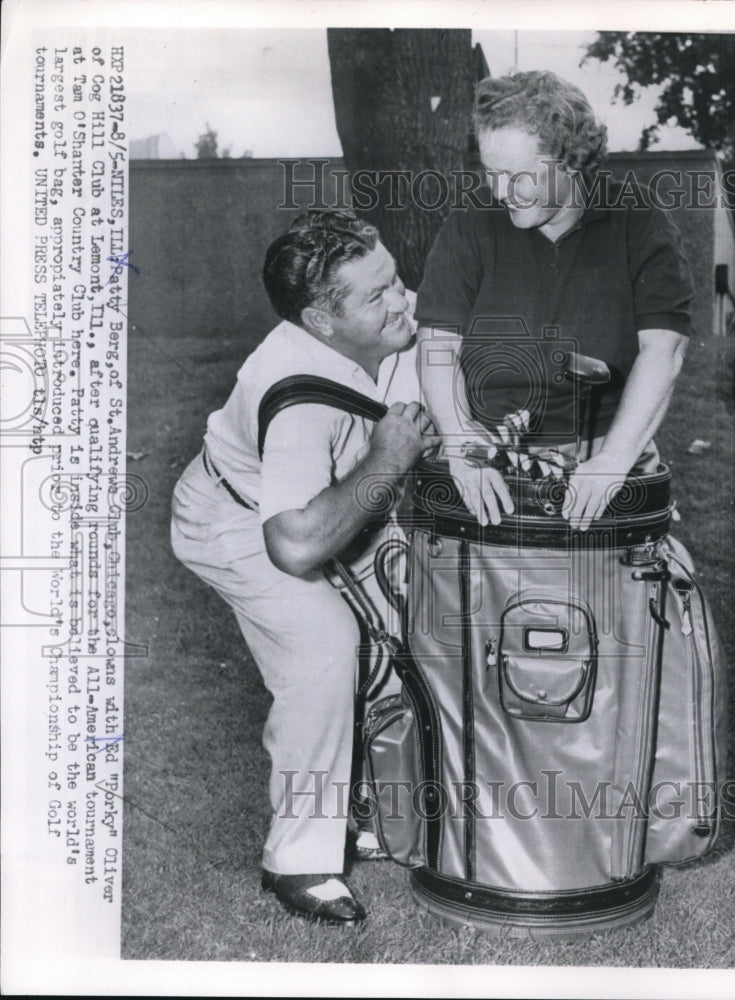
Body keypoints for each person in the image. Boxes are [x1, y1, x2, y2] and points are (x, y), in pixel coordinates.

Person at [170, 210, 437, 925]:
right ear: (321, 320)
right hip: (235, 520)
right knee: (323, 643)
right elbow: (291, 545)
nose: (402, 299)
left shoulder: (386, 330)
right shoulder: (296, 394)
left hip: (325, 502)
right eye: (378, 295)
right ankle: (299, 859)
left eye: (395, 280)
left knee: (417, 615)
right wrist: (389, 458)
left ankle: (371, 806)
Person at [416, 70, 694, 527]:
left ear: (571, 160)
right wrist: (460, 442)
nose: (500, 192)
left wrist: (613, 460)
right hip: (488, 449)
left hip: (608, 447)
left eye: (517, 176)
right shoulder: (468, 226)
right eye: (491, 173)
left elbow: (663, 351)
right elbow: (436, 344)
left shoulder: (641, 223)